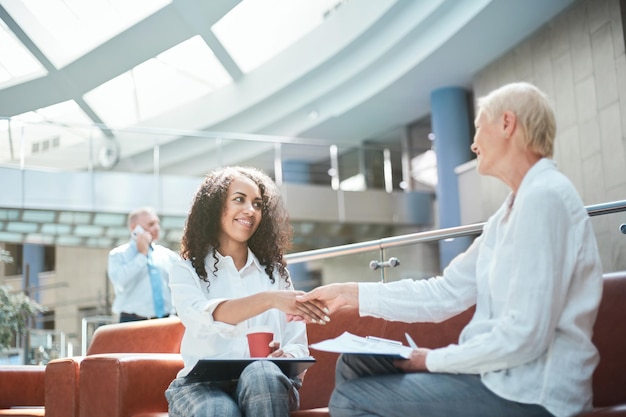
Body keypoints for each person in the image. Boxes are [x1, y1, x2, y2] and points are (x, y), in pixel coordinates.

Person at [295, 82, 603, 417]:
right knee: (357, 364)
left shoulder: (545, 198)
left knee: (350, 400)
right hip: (497, 379)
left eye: (478, 127)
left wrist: (429, 359)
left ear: (506, 124)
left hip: (532, 395)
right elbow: (444, 293)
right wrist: (349, 292)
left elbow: (525, 336)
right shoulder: (508, 214)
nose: (472, 144)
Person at [165, 166, 327, 417]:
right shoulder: (186, 270)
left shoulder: (275, 272)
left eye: (258, 204)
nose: (250, 211)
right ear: (216, 206)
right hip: (202, 387)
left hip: (267, 382)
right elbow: (200, 319)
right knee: (219, 410)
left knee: (261, 372)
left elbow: (298, 345)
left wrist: (286, 356)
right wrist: (268, 300)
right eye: (239, 199)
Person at [107, 206, 180, 322]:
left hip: (165, 321)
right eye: (151, 224)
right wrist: (142, 255)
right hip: (131, 321)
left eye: (157, 223)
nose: (156, 228)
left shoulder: (169, 256)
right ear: (134, 228)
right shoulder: (118, 255)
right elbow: (120, 282)